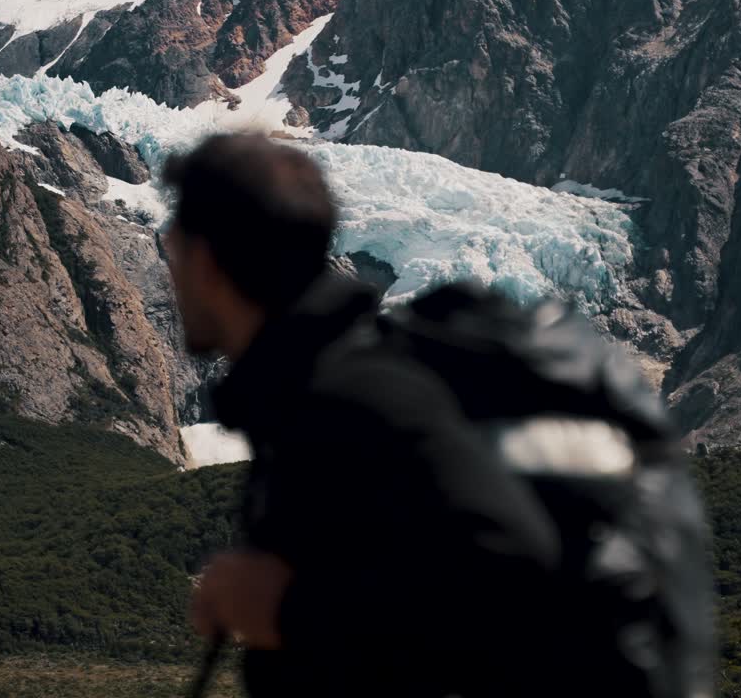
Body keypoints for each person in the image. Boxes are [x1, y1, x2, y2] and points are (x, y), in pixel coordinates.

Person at [161, 133, 563, 696]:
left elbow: (514, 575)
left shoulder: (360, 392)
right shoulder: (314, 388)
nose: (169, 274)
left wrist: (286, 609)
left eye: (172, 250)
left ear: (204, 261)